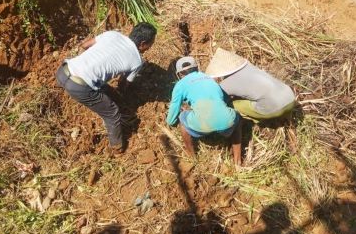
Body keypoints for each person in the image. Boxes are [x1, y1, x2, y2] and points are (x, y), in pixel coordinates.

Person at [55, 22, 157, 153]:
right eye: (150, 44)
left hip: (63, 71)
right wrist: (123, 97)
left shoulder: (112, 34)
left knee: (102, 86)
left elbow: (84, 45)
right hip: (80, 87)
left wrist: (85, 64)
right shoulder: (137, 60)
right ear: (143, 44)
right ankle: (117, 148)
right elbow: (124, 84)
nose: (149, 48)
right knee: (112, 113)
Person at [167, 56, 242, 165]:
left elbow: (174, 107)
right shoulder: (209, 78)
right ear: (197, 68)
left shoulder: (180, 85)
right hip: (226, 122)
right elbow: (224, 99)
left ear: (180, 74)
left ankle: (192, 157)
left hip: (202, 125)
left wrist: (170, 121)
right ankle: (237, 161)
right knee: (238, 120)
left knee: (183, 119)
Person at [205, 48, 296, 122]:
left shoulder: (226, 84)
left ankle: (254, 120)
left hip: (276, 107)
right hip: (290, 97)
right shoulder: (249, 65)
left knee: (232, 105)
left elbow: (216, 99)